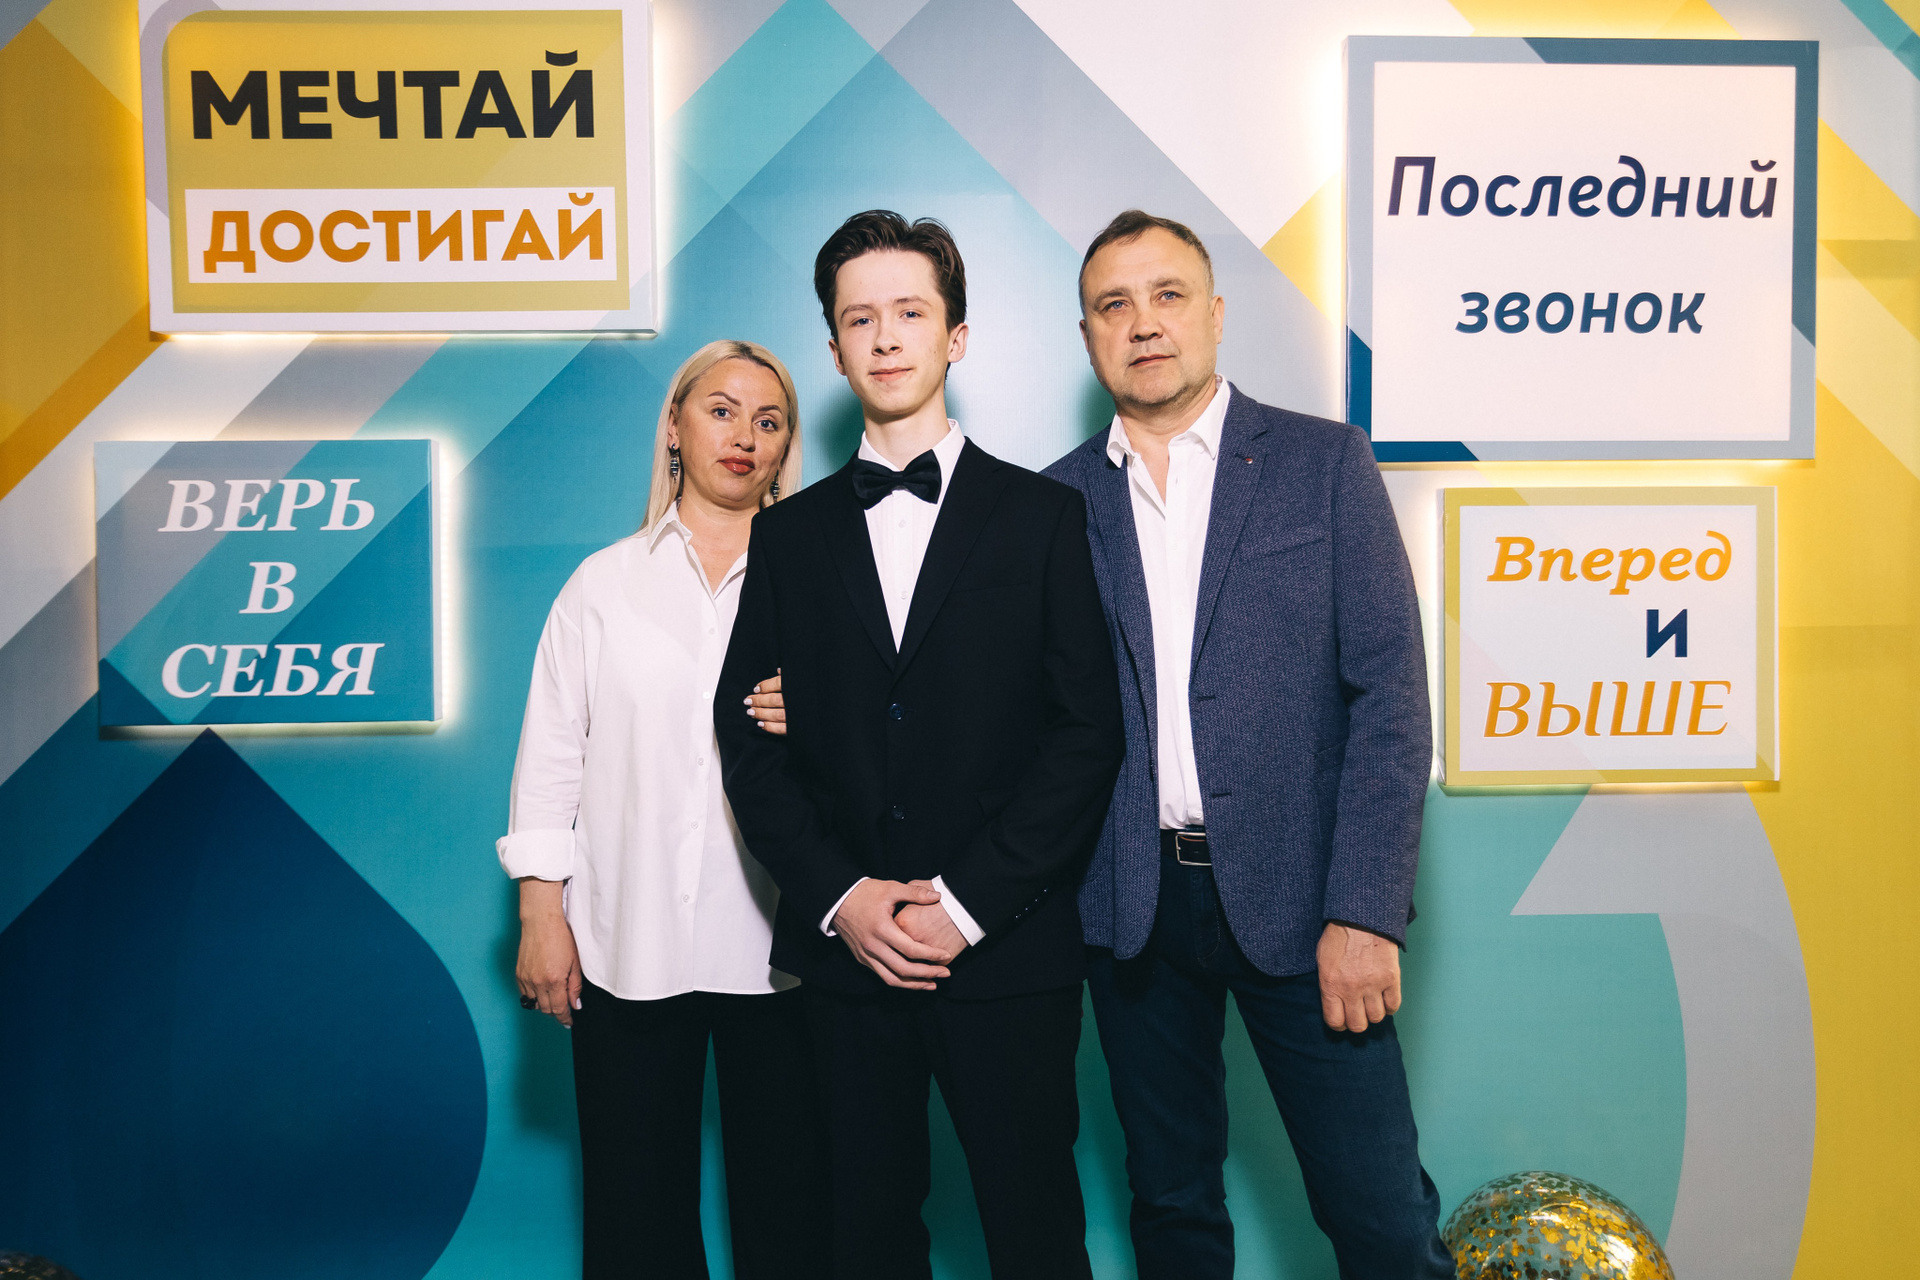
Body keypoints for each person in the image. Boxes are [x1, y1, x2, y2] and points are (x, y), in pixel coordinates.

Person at [712, 211, 1123, 1280]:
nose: (886, 336)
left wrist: (968, 902)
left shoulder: (1043, 516)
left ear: (956, 337)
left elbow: (1087, 735)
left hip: (1009, 950)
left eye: (909, 312)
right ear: (834, 349)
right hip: (847, 962)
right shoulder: (785, 535)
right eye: (861, 319)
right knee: (865, 1239)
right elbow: (746, 741)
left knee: (1037, 1237)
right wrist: (843, 896)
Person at [1044, 210, 1453, 1278]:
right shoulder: (1053, 501)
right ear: (1088, 337)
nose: (1144, 322)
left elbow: (1392, 698)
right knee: (1172, 1208)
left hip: (1310, 902)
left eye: (1168, 295)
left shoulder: (1324, 463)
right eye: (1115, 304)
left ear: (1216, 314)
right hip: (1132, 910)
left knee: (1381, 1216)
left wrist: (1366, 909)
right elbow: (1004, 706)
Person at [497, 340, 829, 1280]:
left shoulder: (824, 588)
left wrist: (824, 716)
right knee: (634, 1219)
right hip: (627, 943)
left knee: (795, 1219)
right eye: (721, 410)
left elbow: (885, 757)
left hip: (783, 949)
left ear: (785, 447)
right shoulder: (602, 585)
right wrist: (541, 914)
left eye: (769, 420)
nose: (744, 435)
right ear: (675, 427)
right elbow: (551, 756)